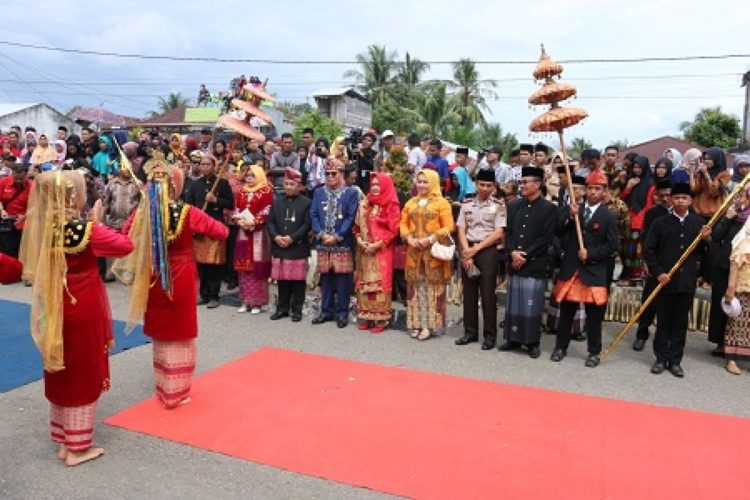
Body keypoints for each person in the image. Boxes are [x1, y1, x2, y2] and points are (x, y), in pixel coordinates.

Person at [20, 170, 134, 466]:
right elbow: (124, 246)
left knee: (61, 365)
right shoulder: (85, 230)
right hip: (82, 303)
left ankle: (64, 439)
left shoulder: (44, 227)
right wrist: (96, 221)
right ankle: (77, 447)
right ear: (74, 196)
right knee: (84, 369)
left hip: (55, 303)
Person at [114, 154, 228, 409]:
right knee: (180, 329)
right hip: (182, 273)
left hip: (154, 273)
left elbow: (125, 236)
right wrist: (197, 227)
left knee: (162, 329)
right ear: (176, 185)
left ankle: (163, 387)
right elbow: (222, 232)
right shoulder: (187, 212)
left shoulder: (142, 214)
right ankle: (177, 392)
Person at [550, 169, 618, 366]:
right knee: (567, 313)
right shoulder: (574, 209)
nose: (593, 192)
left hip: (594, 272)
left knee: (594, 317)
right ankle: (560, 347)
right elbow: (557, 230)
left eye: (598, 189)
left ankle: (594, 352)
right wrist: (570, 217)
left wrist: (591, 253)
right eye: (590, 188)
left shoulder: (608, 216)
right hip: (572, 268)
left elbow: (613, 246)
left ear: (605, 191)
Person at [643, 183, 712, 377]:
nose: (680, 201)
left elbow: (707, 253)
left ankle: (675, 361)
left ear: (690, 201)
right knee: (663, 321)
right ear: (671, 200)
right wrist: (658, 273)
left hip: (686, 281)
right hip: (665, 281)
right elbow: (649, 251)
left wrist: (707, 241)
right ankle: (660, 358)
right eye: (677, 198)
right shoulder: (660, 223)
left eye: (684, 198)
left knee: (680, 323)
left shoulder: (699, 225)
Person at [500, 166, 557, 358]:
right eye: (521, 182)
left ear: (538, 184)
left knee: (532, 304)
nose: (521, 185)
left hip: (534, 263)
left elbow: (546, 238)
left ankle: (532, 342)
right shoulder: (514, 205)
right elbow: (508, 233)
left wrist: (524, 255)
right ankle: (512, 338)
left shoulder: (549, 209)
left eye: (525, 182)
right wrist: (513, 253)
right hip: (515, 261)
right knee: (514, 302)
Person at [400, 169, 454, 341]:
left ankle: (429, 326)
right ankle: (415, 323)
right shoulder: (410, 202)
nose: (421, 185)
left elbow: (449, 226)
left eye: (425, 182)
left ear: (433, 182)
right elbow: (403, 223)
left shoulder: (442, 203)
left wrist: (430, 239)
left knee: (432, 289)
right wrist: (409, 238)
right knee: (416, 289)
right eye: (419, 181)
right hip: (414, 253)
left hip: (433, 254)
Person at [455, 169, 506, 349]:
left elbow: (499, 232)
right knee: (469, 292)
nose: (485, 188)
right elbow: (461, 228)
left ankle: (490, 336)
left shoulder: (499, 204)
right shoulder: (467, 203)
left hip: (487, 251)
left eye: (489, 185)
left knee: (487, 294)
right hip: (468, 248)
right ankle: (470, 332)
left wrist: (475, 249)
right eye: (482, 184)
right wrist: (466, 251)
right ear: (476, 184)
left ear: (494, 187)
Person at [310, 158, 359, 328]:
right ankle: (326, 311)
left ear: (342, 174)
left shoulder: (351, 193)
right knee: (326, 278)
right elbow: (314, 214)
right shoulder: (318, 192)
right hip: (323, 241)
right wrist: (322, 234)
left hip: (342, 242)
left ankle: (342, 313)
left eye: (334, 174)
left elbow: (350, 217)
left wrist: (337, 235)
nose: (330, 177)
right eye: (327, 174)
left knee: (343, 279)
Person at [354, 172, 401, 333]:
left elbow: (394, 230)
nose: (374, 188)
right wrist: (360, 241)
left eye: (378, 185)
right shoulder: (365, 203)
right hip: (364, 249)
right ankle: (367, 316)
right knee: (364, 283)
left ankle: (381, 319)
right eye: (373, 185)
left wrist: (377, 245)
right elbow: (357, 227)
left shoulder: (391, 205)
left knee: (380, 285)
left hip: (382, 250)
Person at [184, 154, 234, 308]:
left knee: (214, 264)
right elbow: (188, 205)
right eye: (202, 164)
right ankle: (203, 294)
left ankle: (214, 295)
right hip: (199, 229)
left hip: (215, 227)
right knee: (201, 264)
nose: (205, 167)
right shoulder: (194, 184)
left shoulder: (222, 183)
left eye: (208, 164)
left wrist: (215, 200)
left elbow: (231, 204)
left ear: (214, 166)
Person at [705, 184, 749, 356]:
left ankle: (738, 345)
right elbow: (716, 237)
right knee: (723, 303)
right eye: (742, 195)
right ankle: (720, 342)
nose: (743, 199)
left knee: (743, 309)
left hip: (745, 269)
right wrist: (728, 217)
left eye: (746, 196)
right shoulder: (733, 214)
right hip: (725, 264)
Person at [267, 168, 311, 322]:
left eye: (292, 184)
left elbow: (307, 225)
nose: (289, 187)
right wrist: (276, 237)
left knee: (298, 281)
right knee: (283, 280)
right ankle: (282, 308)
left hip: (297, 246)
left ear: (299, 186)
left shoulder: (306, 203)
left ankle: (297, 310)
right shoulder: (277, 201)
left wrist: (292, 238)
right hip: (280, 245)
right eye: (286, 183)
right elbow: (270, 222)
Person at [633, 179, 672, 351]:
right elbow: (646, 240)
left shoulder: (688, 213)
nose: (665, 199)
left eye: (668, 195)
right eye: (661, 195)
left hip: (675, 266)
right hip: (655, 265)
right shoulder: (652, 214)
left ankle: (667, 338)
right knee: (648, 302)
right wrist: (647, 262)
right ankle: (641, 334)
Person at [233, 165, 273, 314]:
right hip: (243, 232)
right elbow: (236, 209)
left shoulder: (266, 191)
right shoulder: (241, 191)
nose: (249, 178)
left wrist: (255, 222)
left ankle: (257, 302)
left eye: (252, 175)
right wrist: (239, 220)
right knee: (243, 267)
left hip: (258, 233)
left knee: (257, 267)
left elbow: (267, 209)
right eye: (247, 175)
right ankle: (244, 300)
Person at [620, 155, 654, 285]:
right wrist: (628, 186)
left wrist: (640, 217)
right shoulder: (630, 180)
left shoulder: (650, 183)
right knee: (627, 249)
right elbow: (622, 199)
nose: (636, 170)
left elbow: (649, 204)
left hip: (641, 219)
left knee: (638, 249)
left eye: (639, 167)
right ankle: (629, 275)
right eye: (634, 167)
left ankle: (638, 276)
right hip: (628, 218)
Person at [723, 215, 750, 374]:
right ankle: (731, 359)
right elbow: (735, 264)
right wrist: (731, 287)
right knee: (737, 324)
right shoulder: (744, 240)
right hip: (743, 287)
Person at [0, 163, 32, 260]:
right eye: (16, 178)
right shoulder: (4, 182)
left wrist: (25, 216)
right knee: (5, 249)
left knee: (19, 250)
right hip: (5, 222)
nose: (18, 181)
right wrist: (2, 210)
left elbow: (36, 206)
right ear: (12, 174)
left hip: (23, 223)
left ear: (26, 175)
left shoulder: (32, 186)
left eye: (21, 179)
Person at [691, 147, 730, 222]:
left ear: (717, 160)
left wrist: (706, 174)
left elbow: (714, 192)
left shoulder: (724, 174)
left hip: (715, 213)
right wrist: (692, 173)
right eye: (705, 159)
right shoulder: (701, 172)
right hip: (699, 212)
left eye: (709, 159)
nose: (706, 161)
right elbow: (694, 189)